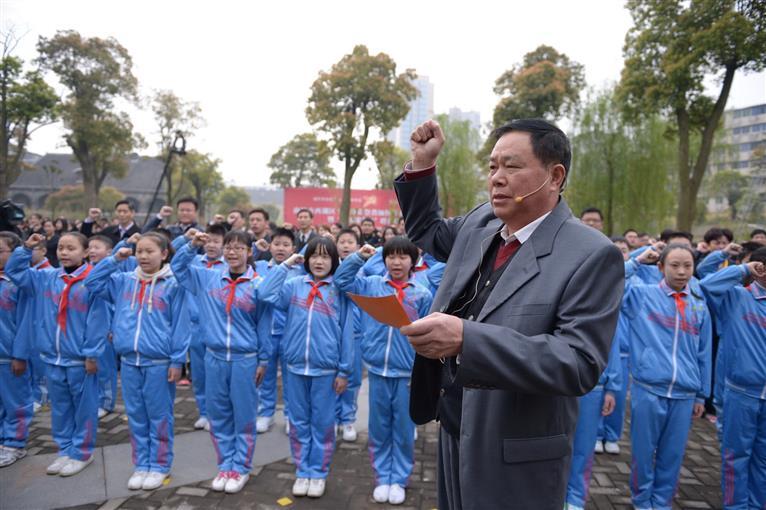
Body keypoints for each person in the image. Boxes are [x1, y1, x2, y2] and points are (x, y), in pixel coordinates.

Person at [394, 118, 624, 510]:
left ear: (554, 176)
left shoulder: (590, 254)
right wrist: (422, 164)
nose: (497, 178)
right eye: (492, 167)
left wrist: (468, 339)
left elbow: (578, 363)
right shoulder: (482, 222)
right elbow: (427, 230)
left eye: (512, 167)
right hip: (454, 423)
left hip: (513, 445)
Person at [172, 230, 298, 494]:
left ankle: (240, 467)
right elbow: (177, 267)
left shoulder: (258, 283)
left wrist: (264, 359)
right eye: (228, 247)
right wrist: (190, 244)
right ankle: (225, 464)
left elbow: (265, 324)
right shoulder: (206, 278)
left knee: (243, 416)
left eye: (239, 248)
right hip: (214, 357)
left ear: (249, 252)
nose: (232, 252)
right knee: (219, 416)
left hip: (245, 359)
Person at [85, 233, 189, 490]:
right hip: (130, 362)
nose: (143, 256)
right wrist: (113, 259)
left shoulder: (174, 285)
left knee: (159, 416)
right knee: (136, 415)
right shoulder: (123, 281)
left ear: (164, 254)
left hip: (159, 363)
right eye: (139, 251)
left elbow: (181, 326)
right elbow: (91, 282)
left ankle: (160, 465)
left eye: (149, 251)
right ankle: (142, 464)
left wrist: (177, 361)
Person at [335, 238, 434, 506]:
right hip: (377, 372)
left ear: (413, 261)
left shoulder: (422, 294)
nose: (397, 262)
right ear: (384, 259)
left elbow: (427, 338)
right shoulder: (371, 285)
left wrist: (421, 375)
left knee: (403, 429)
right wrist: (358, 258)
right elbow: (341, 281)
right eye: (391, 256)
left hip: (406, 376)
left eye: (403, 257)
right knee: (379, 429)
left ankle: (399, 478)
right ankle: (382, 477)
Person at [6, 232, 108, 477]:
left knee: (83, 407)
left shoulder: (93, 280)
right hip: (52, 356)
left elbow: (98, 320)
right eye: (61, 247)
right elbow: (15, 272)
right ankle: (65, 449)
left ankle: (82, 452)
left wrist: (92, 354)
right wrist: (25, 249)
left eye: (71, 248)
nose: (64, 252)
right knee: (60, 407)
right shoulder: (46, 277)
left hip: (79, 358)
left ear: (84, 253)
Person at [624, 244, 712, 510]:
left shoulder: (699, 305)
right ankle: (641, 501)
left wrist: (701, 394)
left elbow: (704, 353)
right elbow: (610, 283)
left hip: (684, 395)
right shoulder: (641, 295)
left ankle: (661, 503)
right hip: (648, 389)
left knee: (672, 456)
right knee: (642, 451)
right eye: (674, 265)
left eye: (687, 265)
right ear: (660, 267)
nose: (682, 271)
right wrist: (637, 261)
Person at [275, 237, 352, 499]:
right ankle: (302, 470)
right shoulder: (294, 285)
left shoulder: (339, 291)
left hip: (326, 370)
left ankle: (318, 473)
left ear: (334, 261)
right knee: (298, 422)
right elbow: (265, 294)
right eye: (314, 256)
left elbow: (347, 335)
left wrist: (344, 370)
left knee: (322, 423)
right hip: (295, 366)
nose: (319, 261)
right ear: (306, 259)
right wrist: (286, 265)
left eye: (325, 256)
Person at [700, 248, 766, 509]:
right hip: (741, 393)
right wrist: (742, 269)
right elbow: (705, 282)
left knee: (762, 459)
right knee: (736, 456)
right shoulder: (736, 298)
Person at [254, 227, 303, 434]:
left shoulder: (300, 271)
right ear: (269, 246)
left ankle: (291, 416)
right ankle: (266, 413)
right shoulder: (260, 267)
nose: (281, 248)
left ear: (293, 248)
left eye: (285, 245)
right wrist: (255, 249)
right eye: (276, 244)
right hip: (266, 332)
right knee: (265, 374)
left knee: (292, 378)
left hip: (290, 333)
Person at [565, 333, 622, 510]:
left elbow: (613, 345)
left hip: (594, 387)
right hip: (561, 383)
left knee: (583, 447)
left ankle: (575, 500)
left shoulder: (605, 306)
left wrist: (612, 388)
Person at [0, 232, 33, 468]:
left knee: (16, 403)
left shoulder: (21, 284)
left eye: (1, 250)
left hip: (10, 356)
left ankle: (15, 443)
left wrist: (20, 354)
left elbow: (26, 322)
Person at [333, 228, 363, 442]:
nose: (345, 245)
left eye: (350, 242)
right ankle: (333, 416)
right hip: (333, 334)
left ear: (358, 247)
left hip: (356, 334)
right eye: (341, 242)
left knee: (352, 379)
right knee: (332, 378)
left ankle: (348, 418)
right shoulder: (328, 270)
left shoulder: (364, 272)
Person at [87, 235, 119, 419]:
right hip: (90, 331)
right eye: (90, 247)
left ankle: (106, 402)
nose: (92, 251)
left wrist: (113, 328)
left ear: (109, 252)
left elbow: (116, 307)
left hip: (105, 331)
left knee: (105, 368)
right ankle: (95, 399)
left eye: (97, 247)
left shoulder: (113, 277)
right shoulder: (87, 273)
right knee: (92, 367)